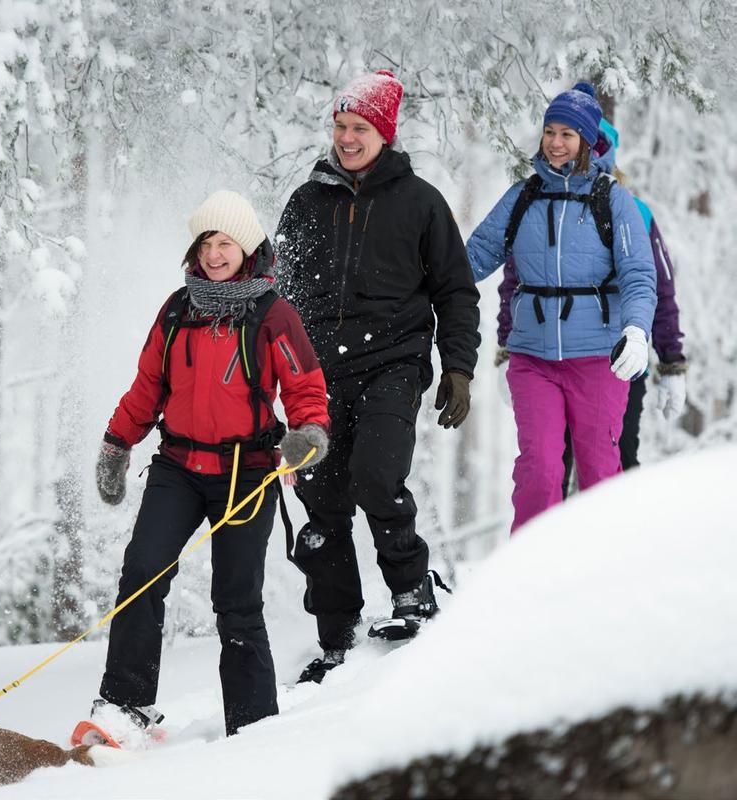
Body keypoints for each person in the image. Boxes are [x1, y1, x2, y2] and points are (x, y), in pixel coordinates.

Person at [92, 190, 330, 739]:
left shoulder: (273, 315)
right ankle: (124, 707)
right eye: (205, 242)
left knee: (236, 601)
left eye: (225, 242)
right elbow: (148, 387)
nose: (214, 253)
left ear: (247, 248)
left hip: (246, 472)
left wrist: (306, 437)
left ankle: (251, 727)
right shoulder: (177, 309)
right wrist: (116, 443)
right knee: (141, 576)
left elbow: (305, 389)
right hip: (176, 468)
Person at [276, 70, 481, 684]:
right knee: (320, 494)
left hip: (394, 360)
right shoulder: (309, 200)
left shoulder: (419, 201)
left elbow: (456, 289)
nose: (345, 138)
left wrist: (459, 367)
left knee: (374, 474)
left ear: (384, 133)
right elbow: (277, 295)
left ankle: (412, 588)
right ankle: (336, 629)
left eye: (358, 128)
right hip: (316, 372)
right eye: (339, 127)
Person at [468, 84, 657, 533]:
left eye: (568, 134)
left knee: (598, 474)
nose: (555, 142)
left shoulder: (613, 200)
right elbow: (471, 258)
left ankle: (600, 577)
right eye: (550, 131)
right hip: (533, 359)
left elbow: (638, 275)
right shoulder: (523, 197)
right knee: (539, 471)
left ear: (587, 142)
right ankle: (529, 579)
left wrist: (636, 330)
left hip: (597, 359)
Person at [495, 113, 688, 495]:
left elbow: (657, 287)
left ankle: (615, 551)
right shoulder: (538, 203)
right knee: (549, 464)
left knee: (614, 465)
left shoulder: (631, 209)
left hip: (615, 359)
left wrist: (672, 362)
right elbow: (517, 281)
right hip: (546, 357)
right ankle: (560, 552)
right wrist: (506, 346)